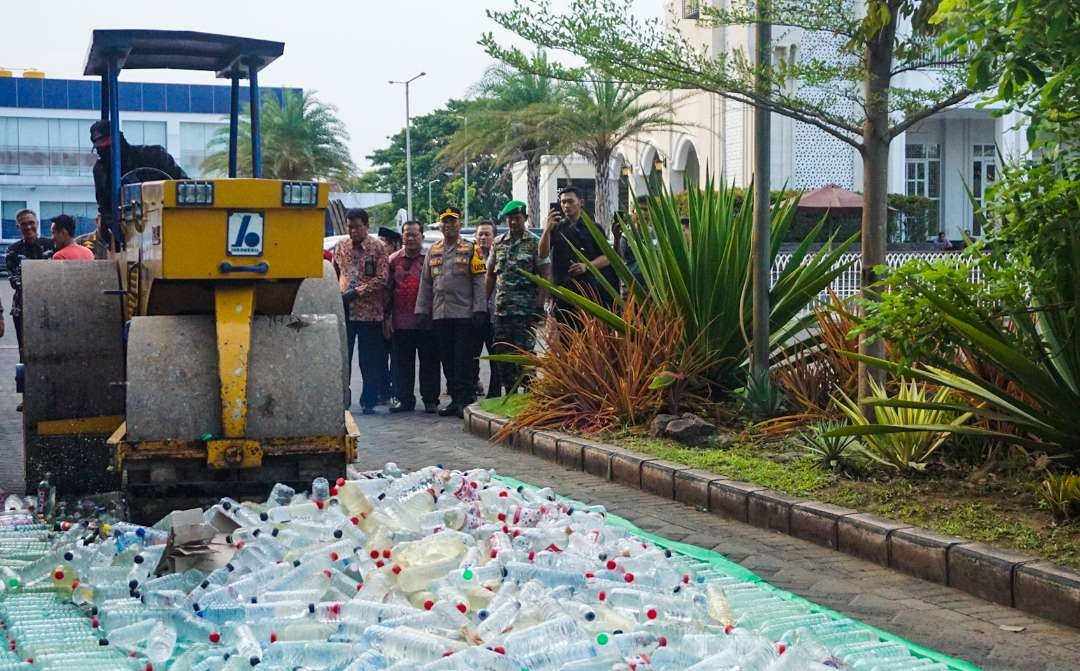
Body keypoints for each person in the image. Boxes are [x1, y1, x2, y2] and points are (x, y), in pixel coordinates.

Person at [415, 206, 488, 418]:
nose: (448, 226)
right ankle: (455, 400)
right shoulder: (434, 250)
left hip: (464, 315)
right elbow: (426, 284)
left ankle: (465, 400)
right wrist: (421, 310)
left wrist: (479, 309)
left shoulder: (470, 249)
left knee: (463, 360)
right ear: (440, 225)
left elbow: (479, 281)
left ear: (459, 224)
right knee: (447, 360)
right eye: (445, 222)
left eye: (452, 221)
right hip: (441, 315)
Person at [90, 120, 187, 249]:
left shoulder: (154, 155)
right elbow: (104, 204)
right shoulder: (101, 170)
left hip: (169, 221)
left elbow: (183, 184)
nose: (105, 147)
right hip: (128, 231)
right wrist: (108, 226)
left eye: (107, 141)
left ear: (119, 138)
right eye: (101, 145)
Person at [486, 201, 549, 395]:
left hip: (526, 312)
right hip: (503, 310)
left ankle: (530, 396)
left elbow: (545, 276)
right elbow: (490, 274)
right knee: (503, 354)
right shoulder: (498, 243)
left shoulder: (534, 243)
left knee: (526, 356)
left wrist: (539, 306)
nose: (513, 222)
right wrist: (483, 302)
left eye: (517, 218)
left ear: (525, 219)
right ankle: (509, 394)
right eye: (510, 218)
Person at [332, 208, 390, 415]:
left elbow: (382, 278)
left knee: (369, 359)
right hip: (345, 310)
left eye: (357, 227)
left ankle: (369, 399)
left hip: (369, 311)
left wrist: (357, 292)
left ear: (366, 225)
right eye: (350, 227)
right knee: (342, 357)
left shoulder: (378, 247)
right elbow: (334, 273)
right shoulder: (341, 246)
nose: (353, 231)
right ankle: (342, 399)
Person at [538, 185, 617, 321]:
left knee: (588, 335)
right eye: (563, 202)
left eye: (570, 201)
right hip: (563, 291)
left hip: (589, 291)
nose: (566, 206)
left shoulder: (594, 228)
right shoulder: (556, 228)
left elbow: (607, 257)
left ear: (581, 202)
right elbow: (542, 254)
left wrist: (587, 266)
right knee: (565, 337)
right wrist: (546, 230)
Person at [386, 221, 440, 414]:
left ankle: (431, 399)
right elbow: (387, 290)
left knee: (430, 362)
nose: (410, 238)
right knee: (402, 364)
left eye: (414, 234)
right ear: (402, 237)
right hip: (401, 321)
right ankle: (404, 399)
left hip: (427, 320)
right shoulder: (393, 260)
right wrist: (387, 318)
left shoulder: (431, 258)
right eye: (407, 234)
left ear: (422, 237)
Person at [5, 209, 52, 358]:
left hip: (49, 305)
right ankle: (24, 379)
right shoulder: (13, 250)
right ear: (18, 227)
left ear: (37, 223)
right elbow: (14, 280)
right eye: (24, 224)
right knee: (24, 350)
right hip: (22, 307)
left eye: (31, 223)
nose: (28, 227)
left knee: (49, 347)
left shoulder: (51, 245)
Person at [376, 226, 403, 404]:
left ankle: (395, 390)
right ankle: (382, 390)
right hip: (375, 314)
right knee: (378, 356)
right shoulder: (377, 261)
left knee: (396, 356)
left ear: (393, 244)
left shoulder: (396, 263)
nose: (380, 246)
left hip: (394, 315)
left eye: (384, 243)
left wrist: (389, 316)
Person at [472, 220, 497, 397]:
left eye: (487, 234)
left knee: (495, 354)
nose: (483, 237)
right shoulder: (469, 255)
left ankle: (494, 391)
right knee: (471, 354)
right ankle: (472, 387)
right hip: (474, 313)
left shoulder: (500, 254)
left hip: (495, 314)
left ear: (494, 237)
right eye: (480, 234)